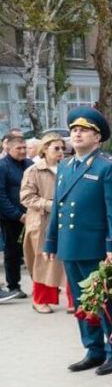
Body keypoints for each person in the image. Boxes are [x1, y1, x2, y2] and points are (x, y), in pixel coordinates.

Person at [44, 107, 112, 375]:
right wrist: (50, 242)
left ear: (98, 137)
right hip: (71, 245)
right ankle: (93, 350)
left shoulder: (109, 165)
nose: (77, 133)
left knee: (104, 300)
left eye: (84, 130)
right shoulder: (66, 165)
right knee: (81, 301)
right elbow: (58, 207)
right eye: (74, 130)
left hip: (97, 248)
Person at [20, 132, 66, 313]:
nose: (61, 151)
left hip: (64, 221)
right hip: (41, 221)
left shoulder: (68, 168)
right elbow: (26, 197)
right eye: (56, 148)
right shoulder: (33, 171)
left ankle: (73, 300)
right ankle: (40, 300)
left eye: (63, 148)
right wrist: (50, 205)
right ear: (44, 150)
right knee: (43, 262)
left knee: (67, 260)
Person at [0, 128, 31, 299]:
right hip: (11, 218)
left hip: (31, 216)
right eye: (19, 148)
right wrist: (17, 215)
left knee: (34, 252)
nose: (23, 151)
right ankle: (14, 285)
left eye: (24, 147)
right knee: (13, 253)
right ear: (8, 148)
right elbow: (1, 196)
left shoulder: (29, 165)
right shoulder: (2, 166)